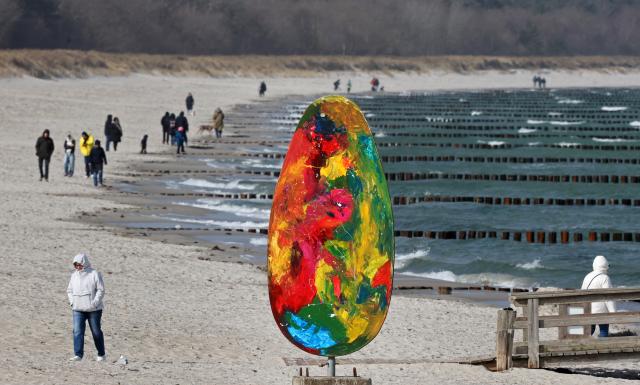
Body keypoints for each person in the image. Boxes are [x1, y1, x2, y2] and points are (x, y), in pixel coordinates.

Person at [67, 253, 106, 362]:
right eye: (75, 265)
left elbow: (101, 290)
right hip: (78, 308)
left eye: (79, 264)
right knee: (77, 331)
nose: (78, 267)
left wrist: (94, 303)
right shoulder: (74, 275)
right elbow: (69, 290)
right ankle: (78, 354)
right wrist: (72, 303)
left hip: (94, 310)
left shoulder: (94, 274)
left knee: (96, 331)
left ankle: (101, 354)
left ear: (84, 263)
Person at [581, 255, 616, 337]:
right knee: (603, 330)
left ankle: (584, 341)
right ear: (606, 266)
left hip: (587, 310)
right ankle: (603, 342)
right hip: (601, 312)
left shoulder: (588, 276)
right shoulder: (605, 278)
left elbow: (582, 292)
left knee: (590, 329)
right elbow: (609, 297)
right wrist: (613, 312)